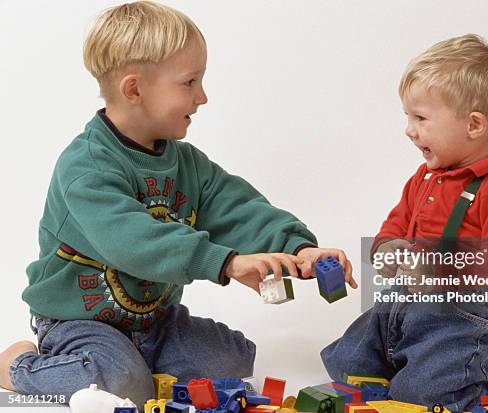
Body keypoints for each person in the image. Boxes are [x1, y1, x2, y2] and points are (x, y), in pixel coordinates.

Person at [0, 1, 356, 408]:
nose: (202, 97)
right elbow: (132, 240)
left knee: (232, 359)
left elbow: (237, 208)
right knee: (120, 382)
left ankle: (140, 364)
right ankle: (17, 365)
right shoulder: (86, 168)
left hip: (154, 322)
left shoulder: (186, 164)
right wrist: (225, 263)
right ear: (134, 89)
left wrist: (298, 247)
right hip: (79, 321)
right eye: (189, 82)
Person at [321, 34, 488, 412]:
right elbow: (397, 222)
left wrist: (441, 266)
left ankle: (464, 372)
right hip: (405, 300)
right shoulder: (425, 177)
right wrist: (387, 248)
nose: (409, 129)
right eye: (408, 116)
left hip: (463, 315)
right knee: (346, 362)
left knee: (423, 394)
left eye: (420, 118)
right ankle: (413, 366)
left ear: (473, 125)